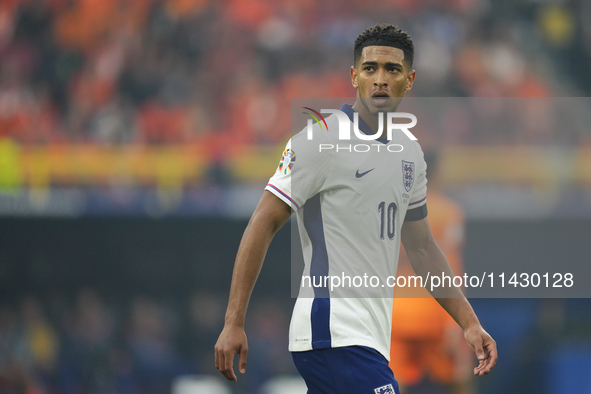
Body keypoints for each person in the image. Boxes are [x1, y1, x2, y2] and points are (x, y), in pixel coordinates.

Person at [215, 24, 497, 394]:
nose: (380, 79)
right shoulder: (319, 140)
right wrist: (233, 321)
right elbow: (263, 222)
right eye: (370, 68)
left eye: (392, 70)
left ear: (409, 80)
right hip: (332, 332)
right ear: (354, 75)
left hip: (370, 339)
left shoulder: (409, 153)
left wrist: (469, 323)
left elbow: (422, 248)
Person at [389, 151, 474, 394]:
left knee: (392, 383)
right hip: (436, 312)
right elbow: (449, 269)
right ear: (434, 174)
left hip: (396, 313)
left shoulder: (392, 209)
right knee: (459, 380)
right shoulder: (447, 212)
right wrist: (458, 319)